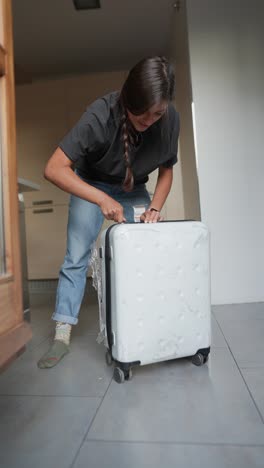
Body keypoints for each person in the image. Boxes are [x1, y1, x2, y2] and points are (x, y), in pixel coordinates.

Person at [37, 56, 180, 369]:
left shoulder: (169, 119)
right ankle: (62, 335)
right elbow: (54, 168)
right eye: (141, 115)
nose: (150, 120)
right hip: (91, 185)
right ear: (128, 99)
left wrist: (154, 207)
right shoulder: (100, 115)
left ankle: (146, 321)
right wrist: (100, 198)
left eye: (156, 113)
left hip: (134, 189)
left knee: (144, 253)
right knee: (76, 257)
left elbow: (167, 170)